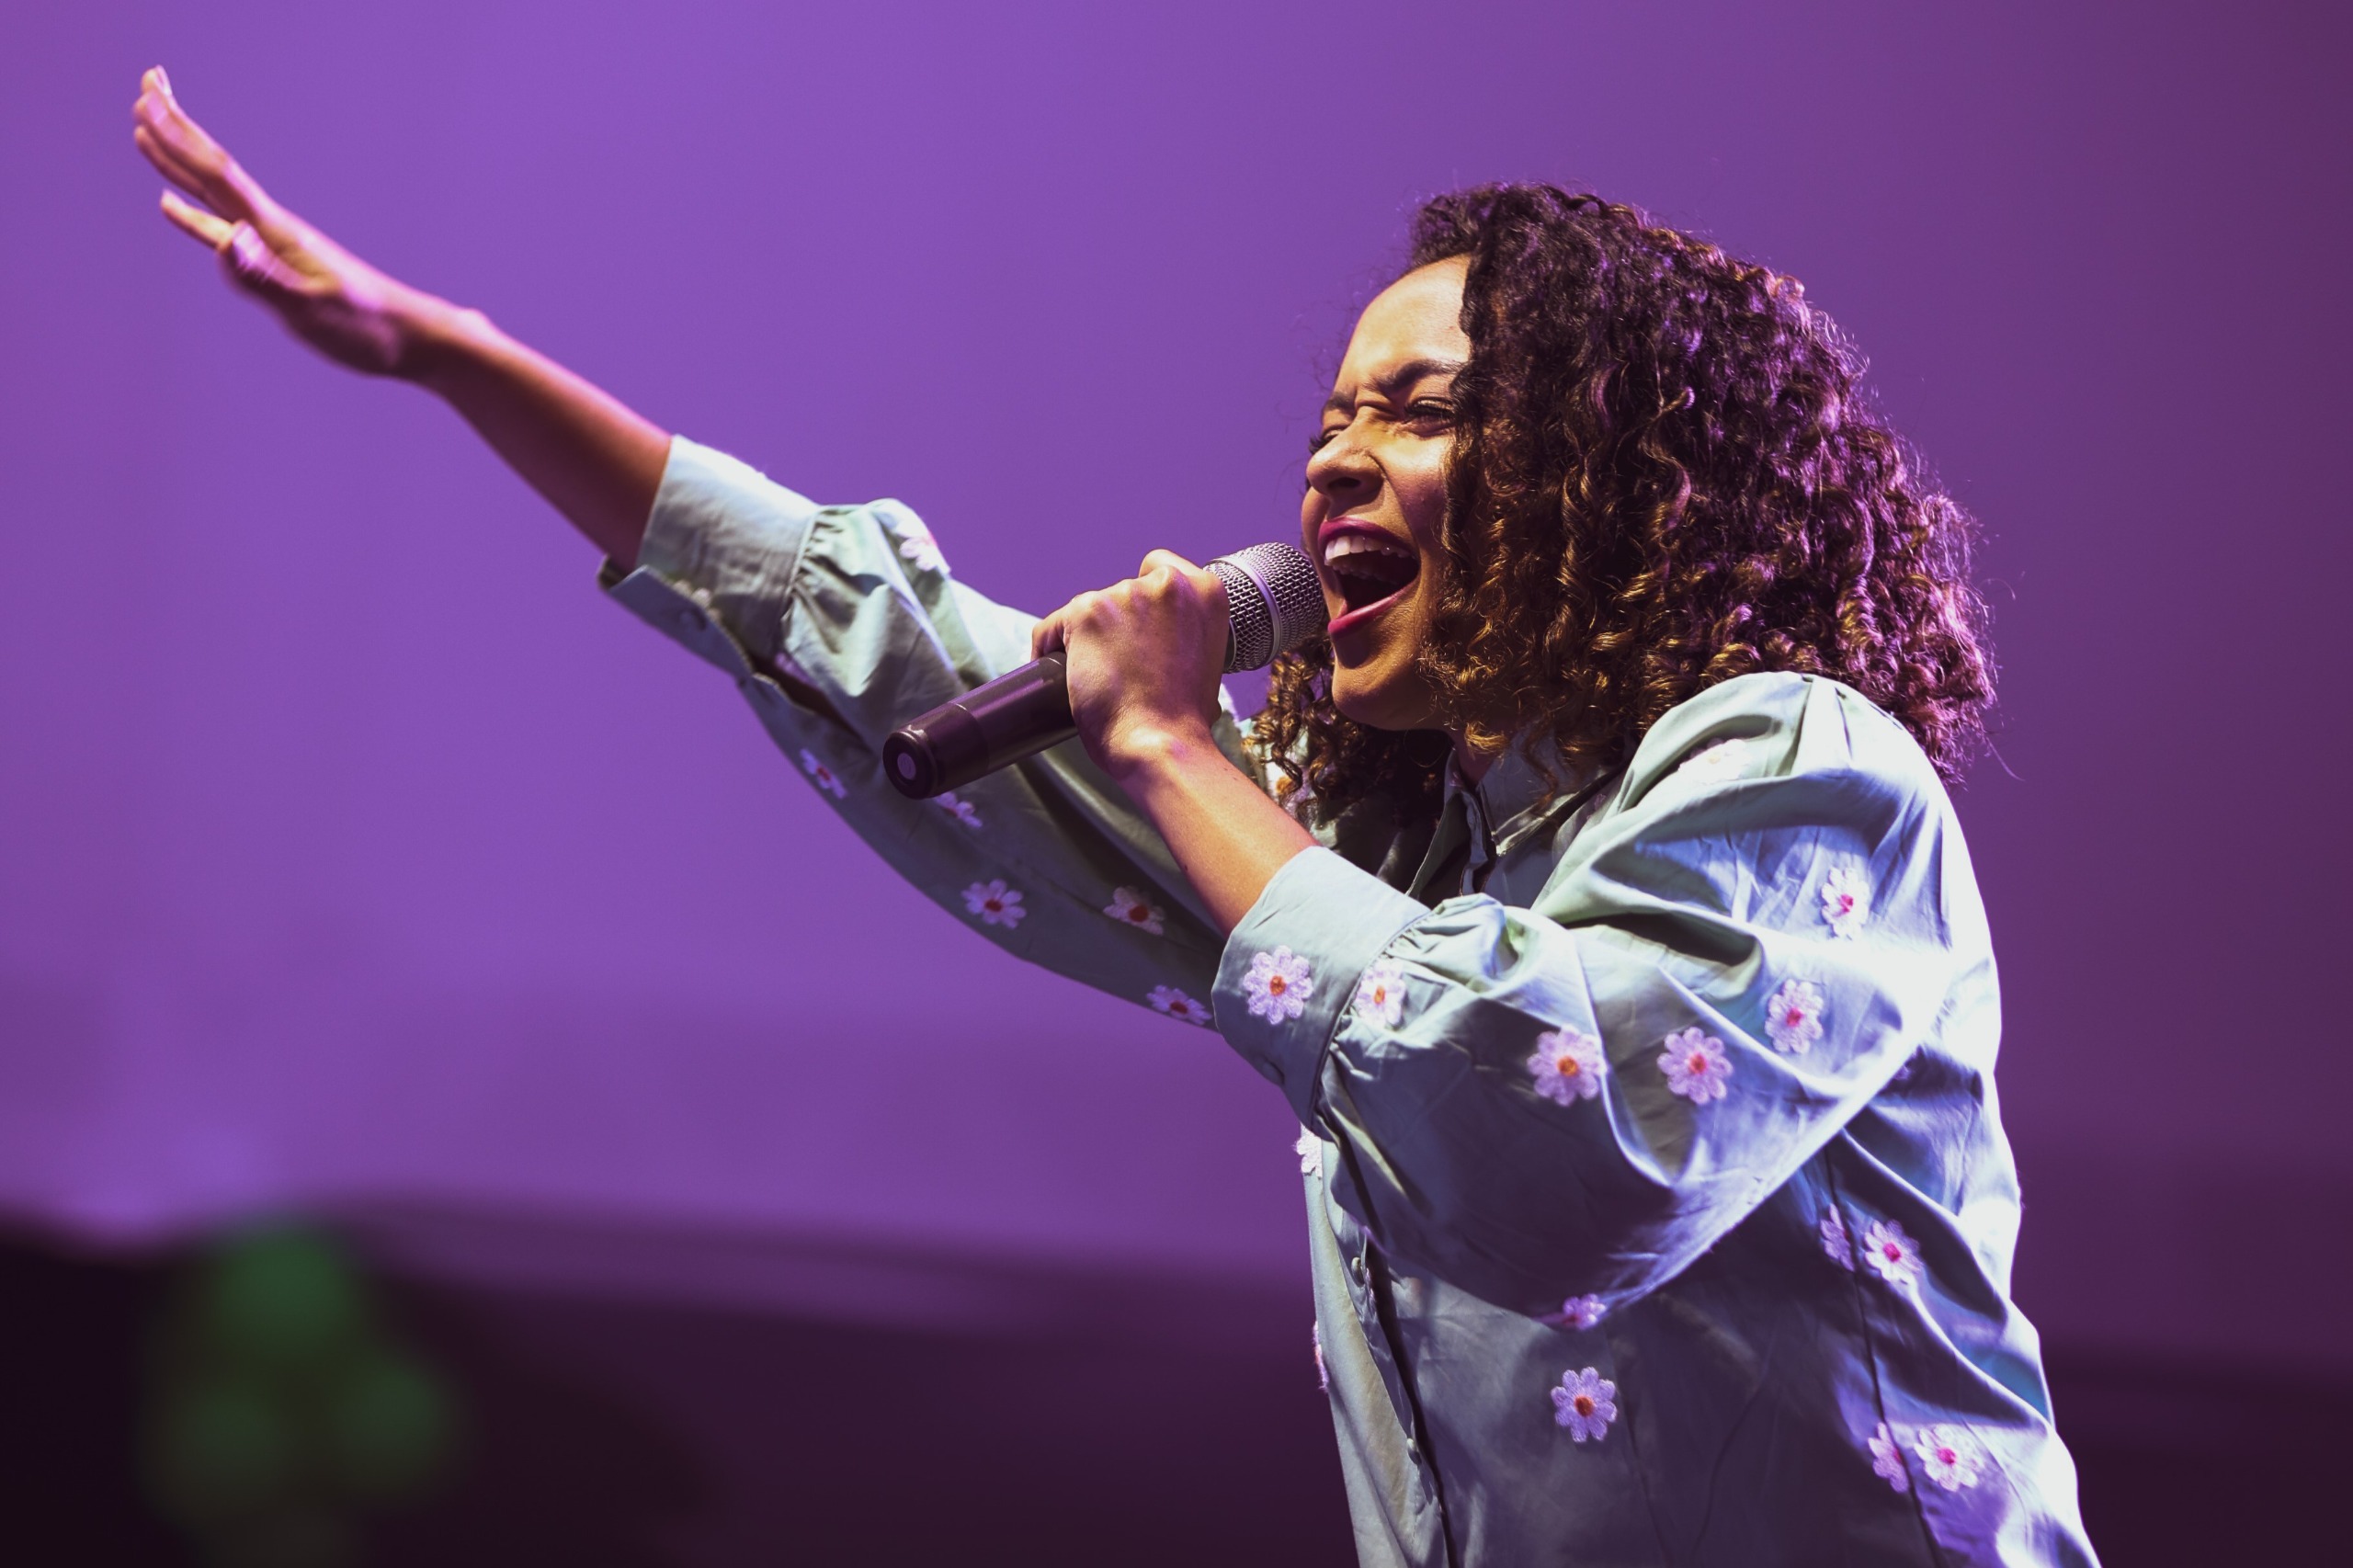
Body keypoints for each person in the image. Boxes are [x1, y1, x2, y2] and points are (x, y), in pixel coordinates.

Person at [131, 65, 2097, 1567]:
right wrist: (455, 358)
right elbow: (891, 638)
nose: (1336, 455)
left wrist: (1173, 745)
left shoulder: (1798, 763)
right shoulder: (1404, 866)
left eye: (1415, 410)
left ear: (1613, 476)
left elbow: (1556, 1147)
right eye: (1329, 413)